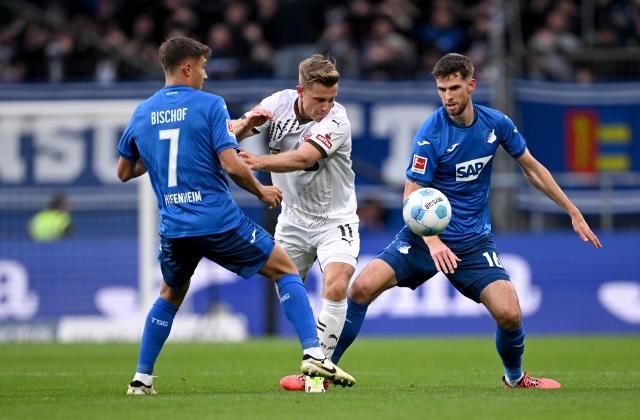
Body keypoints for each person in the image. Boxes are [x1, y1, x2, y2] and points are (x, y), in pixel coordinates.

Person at [329, 53, 603, 389]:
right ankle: (324, 369)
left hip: (473, 243)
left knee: (510, 313)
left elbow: (531, 167)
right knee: (360, 288)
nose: (448, 96)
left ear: (471, 85)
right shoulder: (431, 132)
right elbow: (412, 192)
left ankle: (515, 379)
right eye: (442, 89)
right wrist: (431, 239)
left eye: (454, 88)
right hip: (423, 239)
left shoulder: (496, 124)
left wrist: (573, 211)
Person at [116, 37, 355, 395]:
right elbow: (231, 162)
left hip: (174, 224)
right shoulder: (210, 104)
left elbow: (124, 171)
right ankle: (313, 354)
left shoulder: (142, 113)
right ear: (187, 68)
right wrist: (260, 189)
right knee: (284, 269)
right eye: (202, 67)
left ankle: (141, 379)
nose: (206, 74)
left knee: (169, 293)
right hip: (217, 220)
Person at [232, 54, 359, 391]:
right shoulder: (278, 103)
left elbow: (304, 157)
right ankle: (315, 355)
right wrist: (243, 128)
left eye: (331, 98)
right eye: (319, 99)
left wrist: (259, 161)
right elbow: (238, 130)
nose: (325, 106)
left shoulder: (338, 120)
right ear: (300, 90)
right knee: (286, 286)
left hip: (335, 220)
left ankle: (317, 374)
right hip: (292, 221)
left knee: (336, 284)